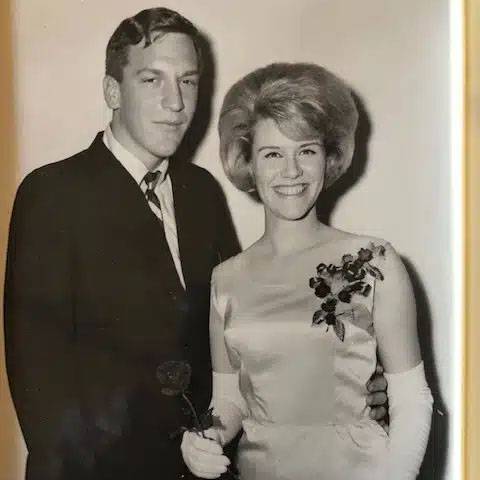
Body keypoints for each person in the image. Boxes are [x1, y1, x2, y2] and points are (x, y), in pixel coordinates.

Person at [4, 9, 387, 480]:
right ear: (112, 91)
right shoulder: (52, 193)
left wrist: (343, 377)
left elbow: (242, 332)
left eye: (187, 82)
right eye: (152, 80)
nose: (175, 102)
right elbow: (41, 390)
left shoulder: (202, 189)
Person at [181, 63, 433, 480]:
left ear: (329, 156)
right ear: (247, 161)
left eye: (306, 151)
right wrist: (202, 437)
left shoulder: (375, 261)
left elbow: (412, 399)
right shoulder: (225, 279)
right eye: (273, 154)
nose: (291, 171)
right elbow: (231, 402)